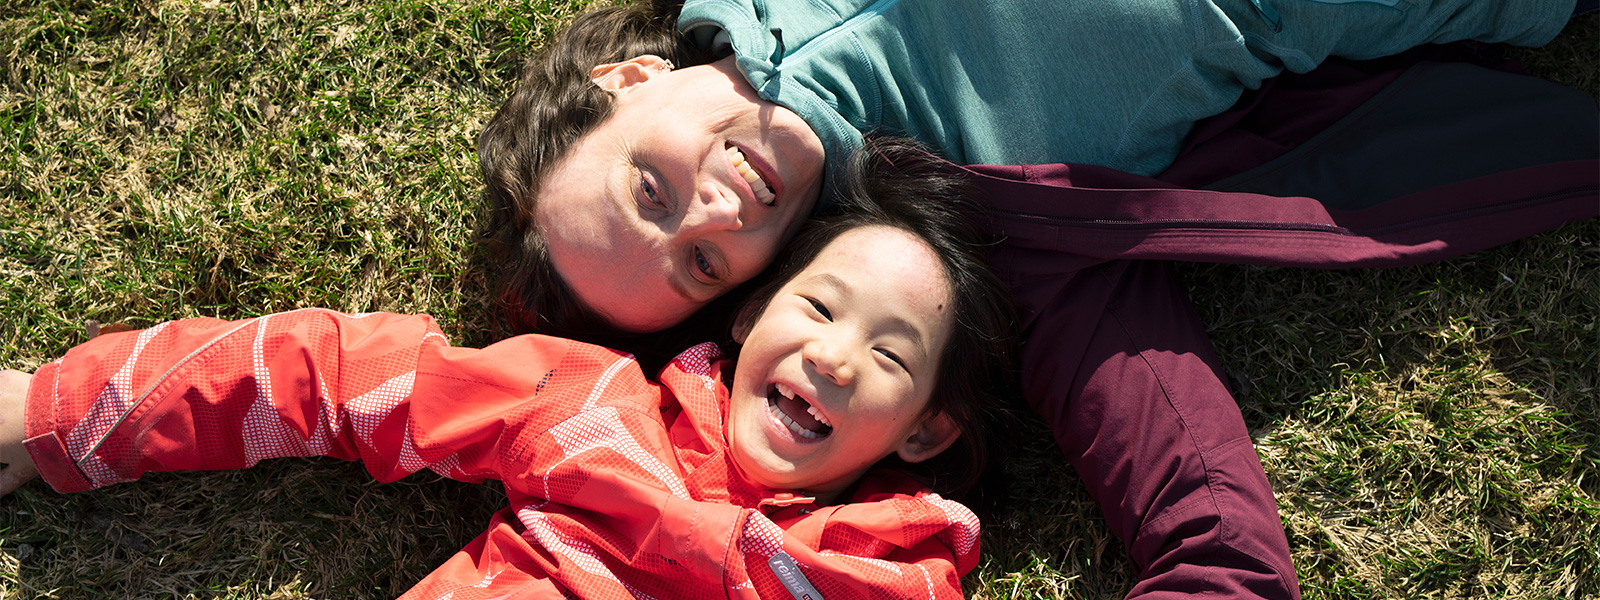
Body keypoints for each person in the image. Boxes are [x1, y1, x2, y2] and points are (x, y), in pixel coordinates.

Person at [471, 1, 1596, 599]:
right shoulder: (954, 243)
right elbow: (1215, 548)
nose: (714, 211)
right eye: (702, 267)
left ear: (628, 84)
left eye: (648, 186)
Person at [0, 141, 1019, 598]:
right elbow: (337, 377)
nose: (833, 357)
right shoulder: (592, 411)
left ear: (928, 427)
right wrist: (58, 416)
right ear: (750, 318)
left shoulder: (889, 580)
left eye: (890, 354)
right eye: (816, 305)